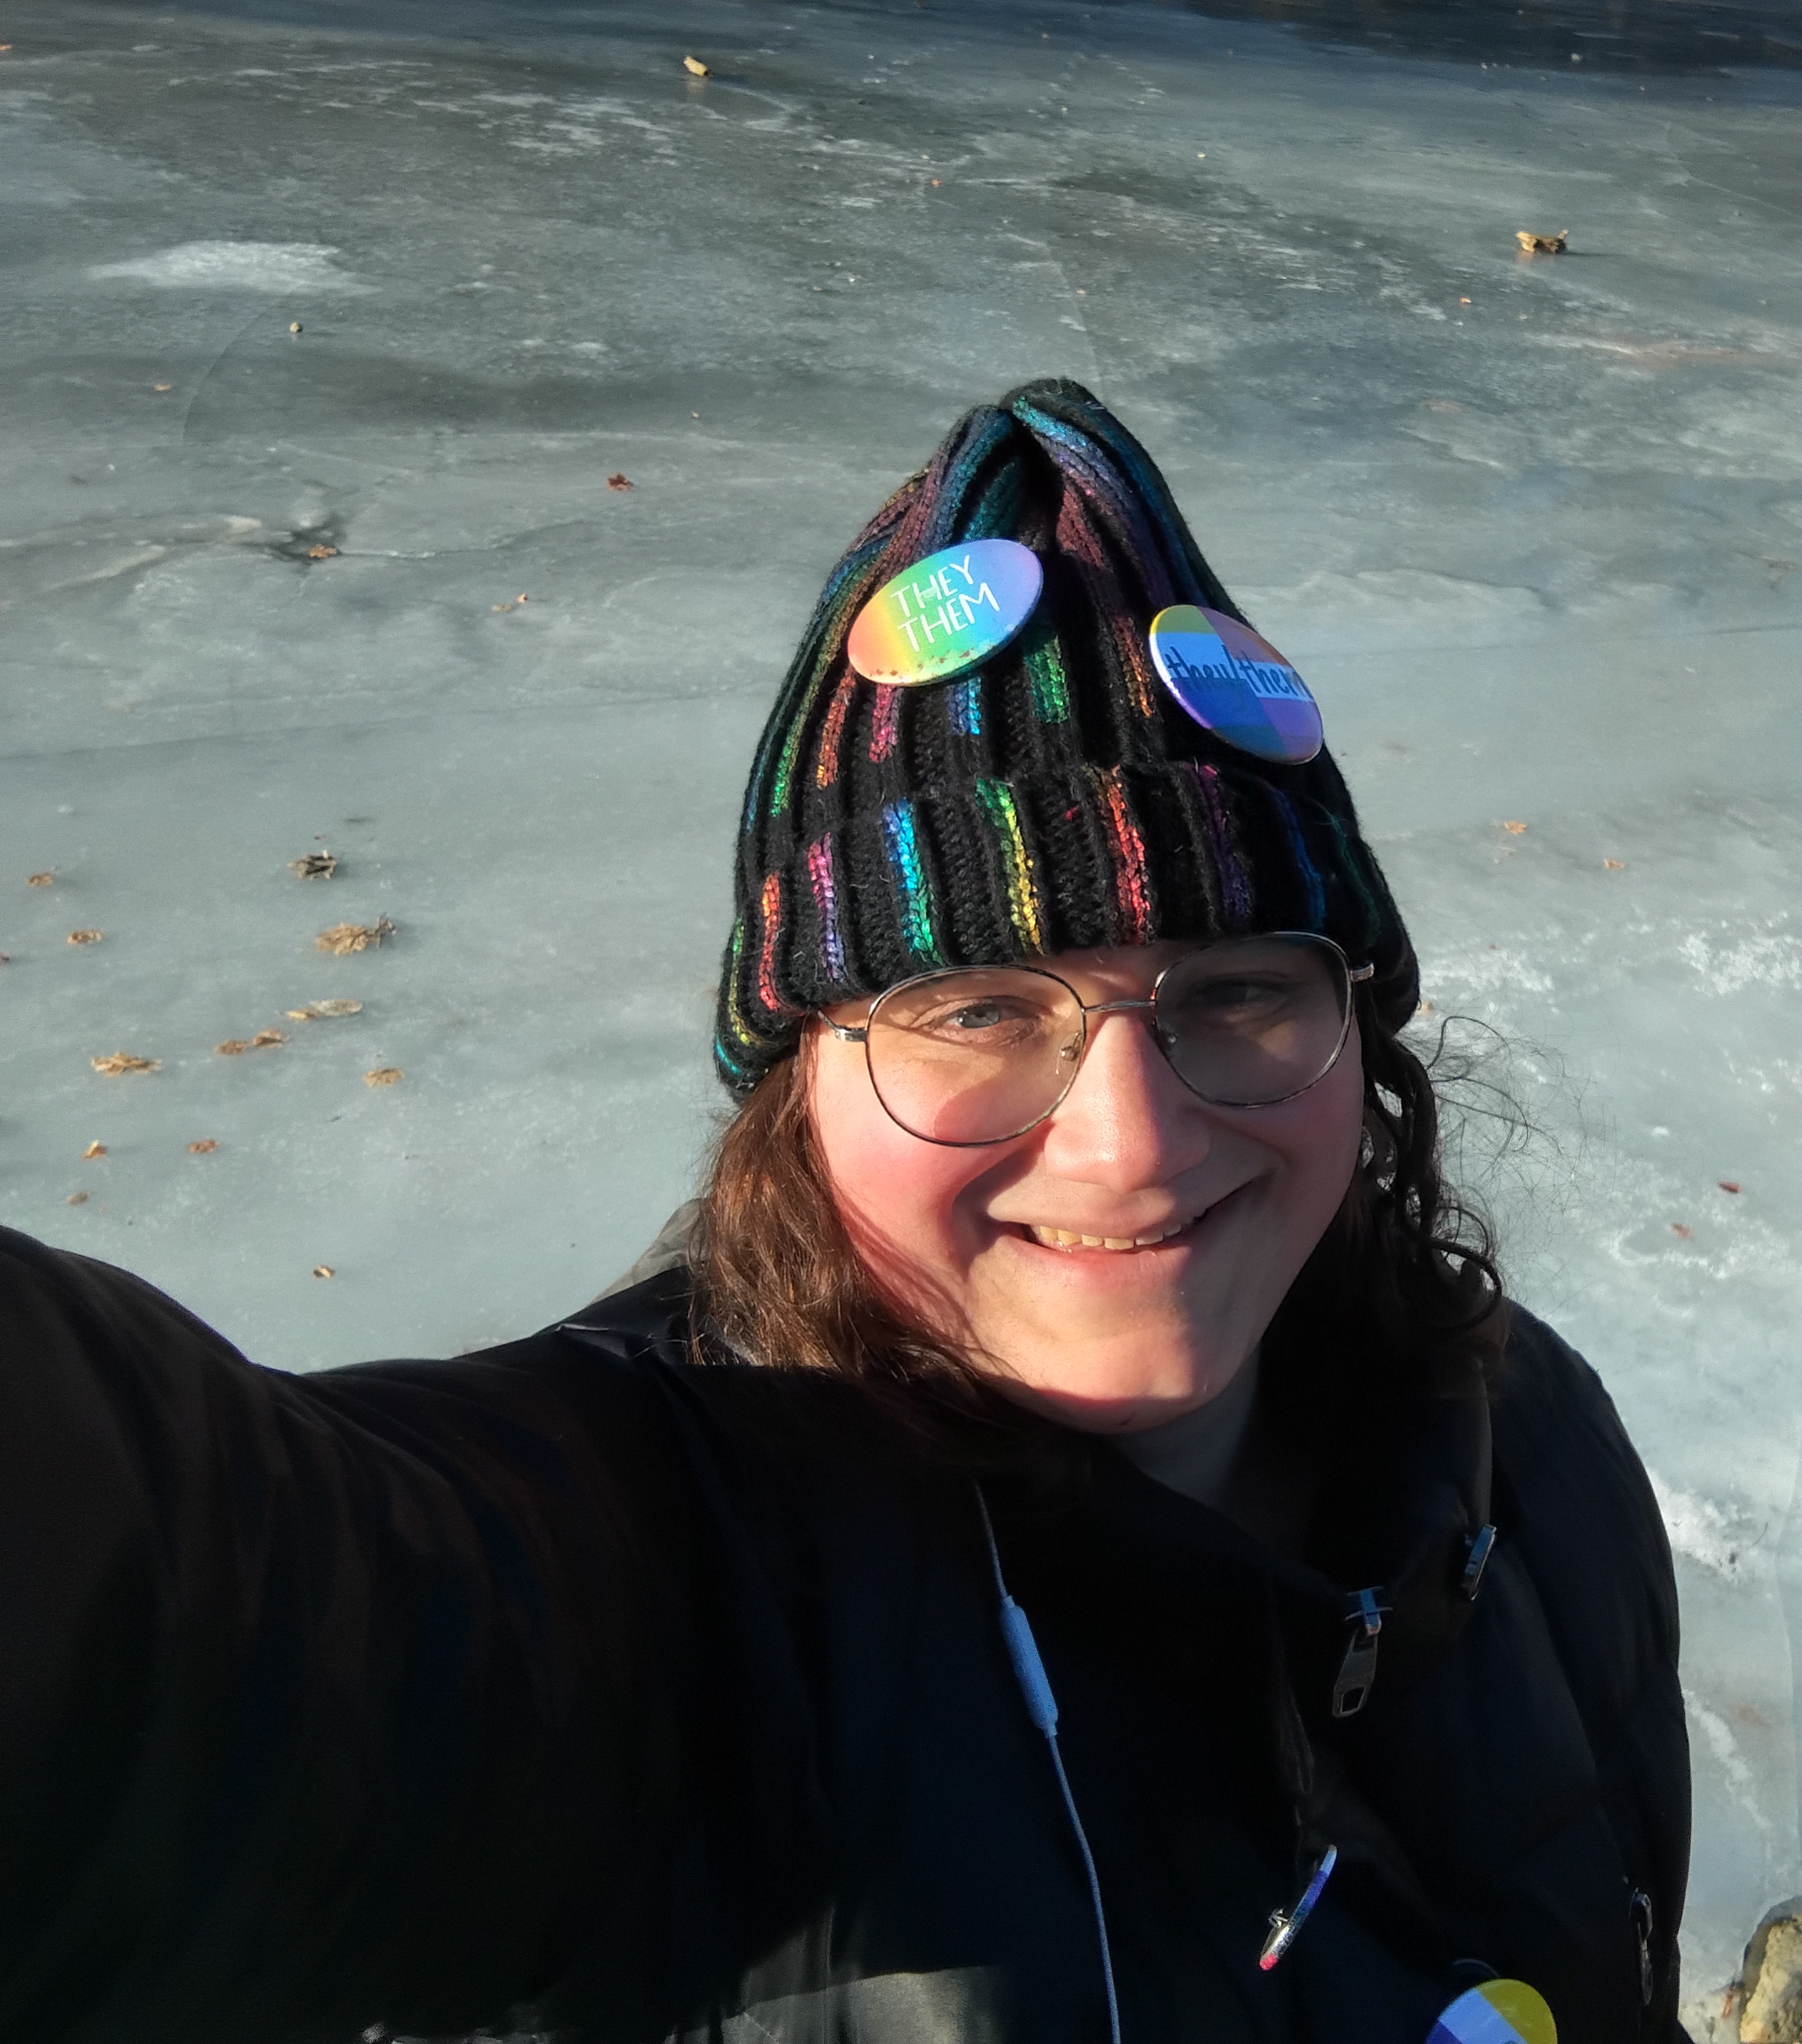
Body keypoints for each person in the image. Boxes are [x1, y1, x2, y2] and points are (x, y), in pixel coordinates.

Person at [0, 381, 1689, 2044]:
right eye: (975, 1011)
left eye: (1236, 990)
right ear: (797, 1086)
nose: (1135, 1142)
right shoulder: (678, 1573)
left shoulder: (1515, 1440)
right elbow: (198, 1635)